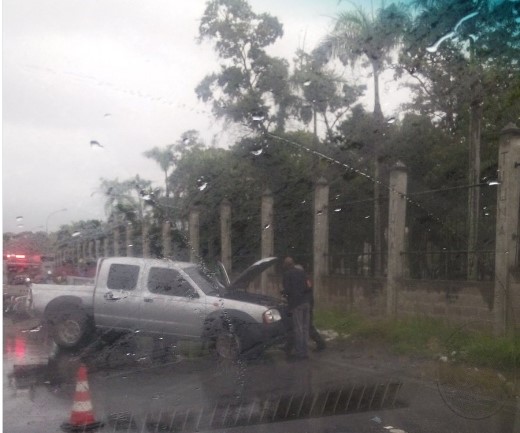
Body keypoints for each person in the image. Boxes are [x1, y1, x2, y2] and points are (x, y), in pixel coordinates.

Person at [284, 264, 326, 353]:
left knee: (303, 327)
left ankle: (319, 344)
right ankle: (292, 347)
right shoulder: (305, 278)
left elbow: (292, 291)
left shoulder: (301, 278)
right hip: (307, 303)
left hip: (303, 303)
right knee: (304, 327)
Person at [281, 257, 311, 360]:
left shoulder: (287, 274)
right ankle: (306, 351)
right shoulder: (302, 272)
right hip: (306, 302)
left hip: (296, 304)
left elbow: (287, 290)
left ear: (287, 265)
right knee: (305, 328)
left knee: (298, 329)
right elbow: (308, 287)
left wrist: (283, 292)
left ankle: (300, 353)